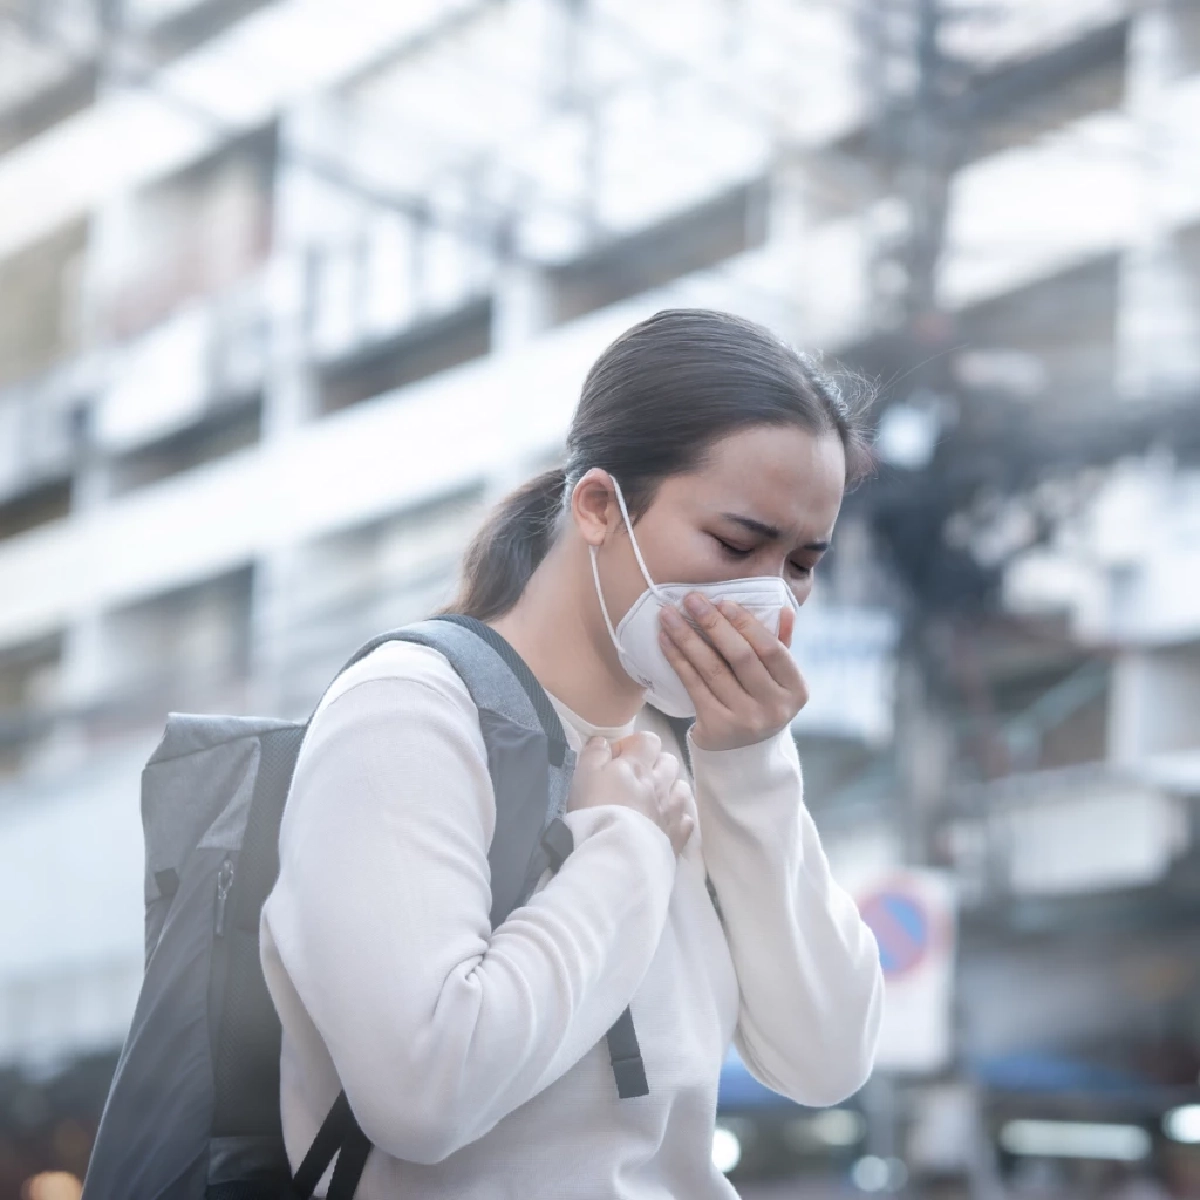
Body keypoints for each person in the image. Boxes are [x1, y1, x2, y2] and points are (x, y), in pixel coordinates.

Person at [260, 307, 886, 1197]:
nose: (768, 600)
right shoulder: (409, 710)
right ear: (598, 507)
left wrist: (750, 765)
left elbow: (825, 1059)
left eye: (800, 565)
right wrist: (621, 847)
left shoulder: (694, 756)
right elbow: (423, 1097)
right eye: (737, 544)